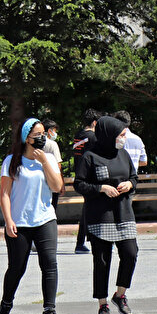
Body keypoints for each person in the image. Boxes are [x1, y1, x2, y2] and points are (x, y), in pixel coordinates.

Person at [0, 118, 65, 314]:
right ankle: (5, 306)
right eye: (38, 134)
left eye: (44, 133)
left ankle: (49, 309)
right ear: (26, 138)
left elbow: (56, 186)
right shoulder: (11, 161)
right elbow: (5, 194)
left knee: (49, 264)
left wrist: (44, 162)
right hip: (20, 222)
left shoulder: (49, 159)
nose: (43, 137)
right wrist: (8, 220)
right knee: (17, 267)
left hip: (45, 219)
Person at [74, 115, 140, 314]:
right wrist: (100, 188)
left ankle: (120, 295)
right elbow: (79, 184)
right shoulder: (89, 156)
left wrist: (130, 184)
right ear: (108, 134)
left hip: (124, 212)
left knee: (131, 253)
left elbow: (133, 177)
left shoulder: (123, 154)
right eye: (120, 134)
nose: (123, 138)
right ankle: (103, 304)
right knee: (102, 260)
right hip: (100, 215)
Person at [71, 108, 101, 254]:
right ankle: (83, 242)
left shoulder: (78, 136)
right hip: (90, 177)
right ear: (95, 122)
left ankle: (81, 242)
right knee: (90, 210)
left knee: (87, 209)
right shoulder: (93, 138)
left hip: (79, 174)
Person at [42, 119, 64, 210]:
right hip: (52, 179)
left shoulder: (33, 143)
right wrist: (61, 183)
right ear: (49, 131)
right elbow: (58, 165)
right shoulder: (52, 144)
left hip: (40, 180)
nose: (55, 134)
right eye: (54, 131)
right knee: (52, 208)